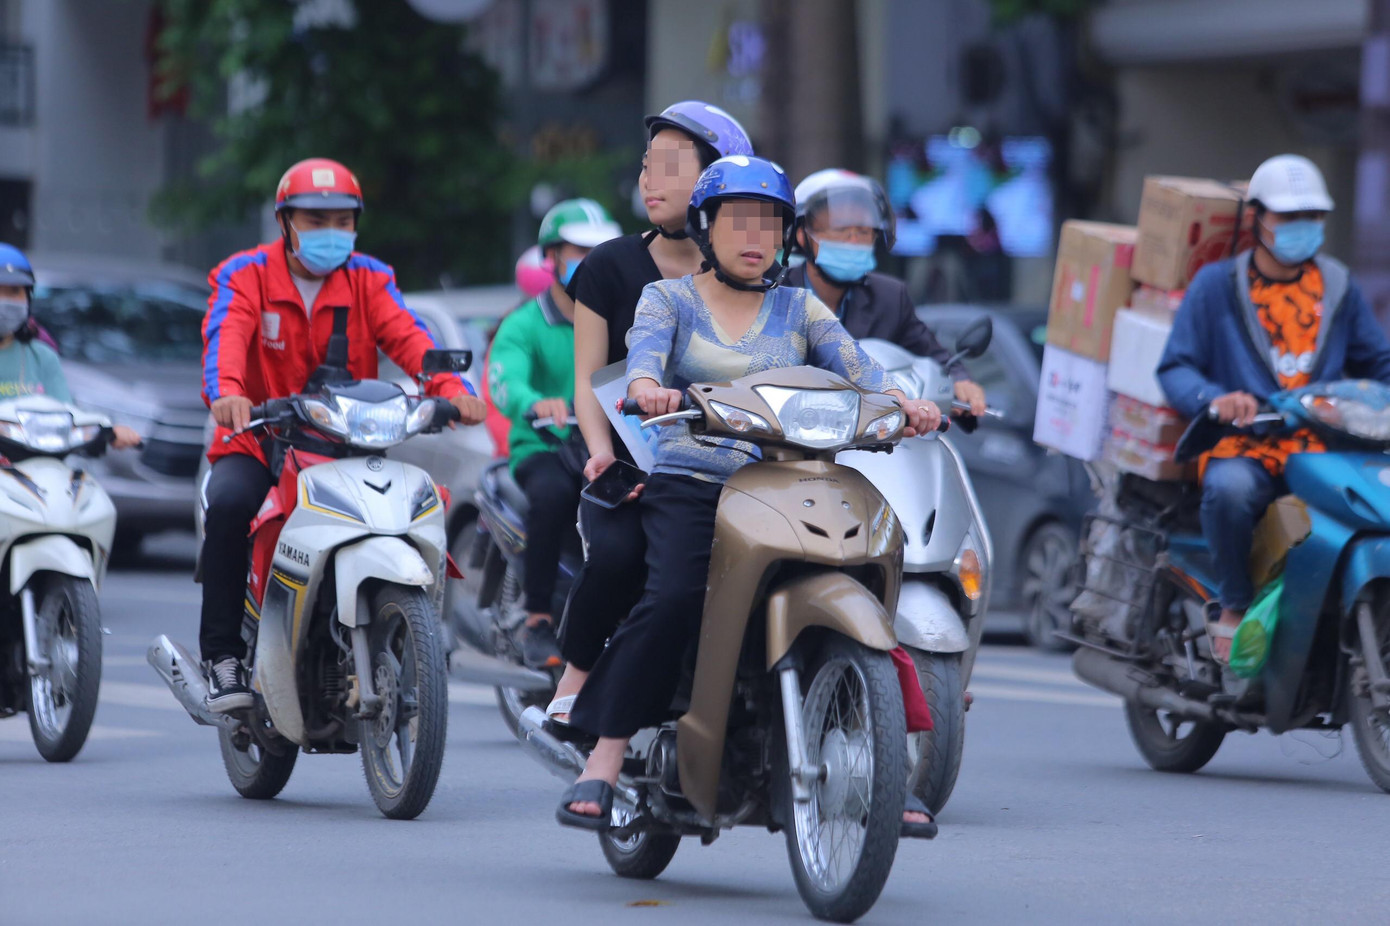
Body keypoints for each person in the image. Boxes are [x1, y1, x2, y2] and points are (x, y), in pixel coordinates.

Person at [556, 154, 941, 828]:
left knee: (866, 571)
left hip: (782, 480)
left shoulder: (801, 307)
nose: (755, 235)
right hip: (692, 481)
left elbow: (862, 369)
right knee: (673, 596)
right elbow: (643, 361)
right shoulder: (666, 299)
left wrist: (907, 404)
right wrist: (648, 388)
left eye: (769, 221)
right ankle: (605, 759)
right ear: (706, 229)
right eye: (738, 220)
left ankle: (887, 764)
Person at [199, 157, 487, 711]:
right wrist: (229, 394)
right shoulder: (245, 274)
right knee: (232, 504)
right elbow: (225, 337)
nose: (331, 233)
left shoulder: (369, 279)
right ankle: (222, 656)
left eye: (342, 220)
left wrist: (451, 389)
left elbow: (410, 339)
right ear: (285, 222)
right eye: (315, 220)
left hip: (346, 442)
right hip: (259, 438)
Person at [547, 101, 753, 719]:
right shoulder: (609, 267)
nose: (648, 180)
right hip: (630, 463)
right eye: (646, 166)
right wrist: (603, 455)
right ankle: (577, 679)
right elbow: (588, 380)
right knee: (618, 554)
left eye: (669, 166)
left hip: (729, 463)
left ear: (718, 182)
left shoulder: (757, 271)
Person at [1157, 154, 1390, 663]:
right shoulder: (1216, 286)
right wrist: (1215, 399)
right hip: (1244, 446)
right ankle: (1235, 605)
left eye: (1313, 217)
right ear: (1257, 217)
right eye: (1289, 217)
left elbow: (1380, 362)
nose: (1302, 228)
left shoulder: (1339, 285)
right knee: (1230, 490)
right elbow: (1175, 368)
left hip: (1322, 448)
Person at [487, 199, 622, 669]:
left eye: (599, 250)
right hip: (543, 447)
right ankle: (538, 618)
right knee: (553, 496)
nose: (589, 260)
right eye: (577, 250)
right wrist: (532, 402)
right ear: (551, 257)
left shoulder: (616, 317)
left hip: (602, 445)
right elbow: (505, 379)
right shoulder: (524, 323)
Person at [783, 169, 986, 415]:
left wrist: (960, 379)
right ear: (803, 235)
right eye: (842, 229)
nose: (854, 241)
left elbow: (933, 356)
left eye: (864, 231)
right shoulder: (777, 293)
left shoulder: (890, 296)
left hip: (874, 439)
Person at [0, 244, 141, 446]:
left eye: (14, 291)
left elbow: (69, 415)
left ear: (28, 298)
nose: (5, 301)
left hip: (35, 469)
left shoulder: (42, 357)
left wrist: (108, 431)